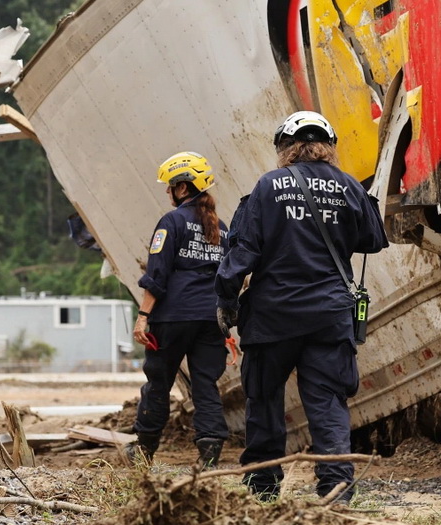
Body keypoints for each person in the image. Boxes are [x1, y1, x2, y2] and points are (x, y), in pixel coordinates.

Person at [215, 111, 389, 501]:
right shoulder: (348, 187)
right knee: (328, 404)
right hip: (329, 315)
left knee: (263, 401)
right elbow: (374, 240)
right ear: (329, 148)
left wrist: (226, 301)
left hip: (272, 316)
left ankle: (262, 489)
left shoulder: (267, 187)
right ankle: (337, 490)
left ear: (284, 149)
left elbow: (241, 252)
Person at [128, 151, 230, 468]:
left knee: (159, 383)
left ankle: (144, 450)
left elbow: (157, 274)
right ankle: (210, 454)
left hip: (173, 317)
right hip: (211, 318)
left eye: (170, 185)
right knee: (205, 384)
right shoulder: (223, 228)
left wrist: (143, 317)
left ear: (183, 188)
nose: (166, 192)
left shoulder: (171, 222)